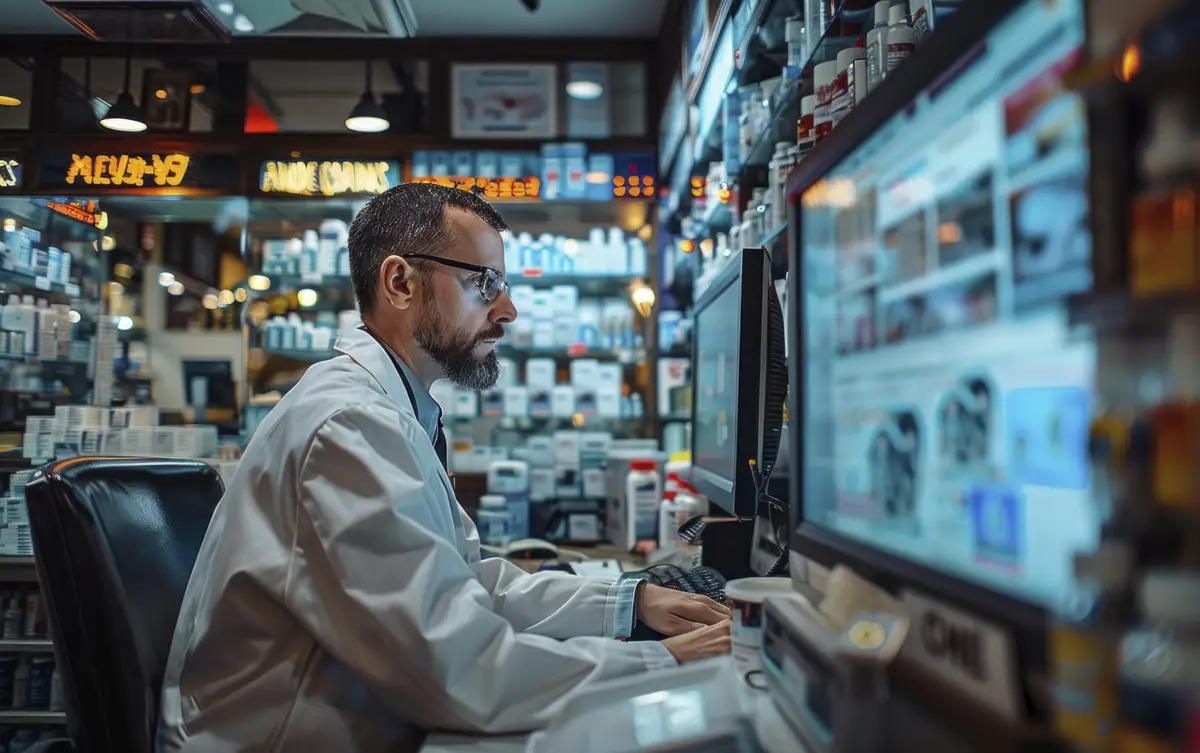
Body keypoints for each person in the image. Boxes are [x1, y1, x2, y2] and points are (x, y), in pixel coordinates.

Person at [157, 184, 731, 753]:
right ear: (400, 283)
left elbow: (461, 583)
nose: (507, 310)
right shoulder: (349, 425)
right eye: (484, 284)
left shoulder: (386, 409)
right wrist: (663, 660)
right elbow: (459, 671)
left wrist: (628, 603)